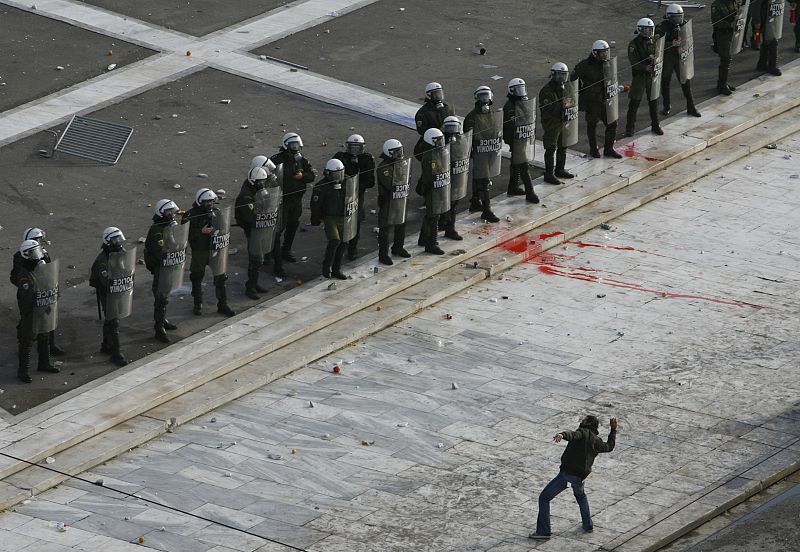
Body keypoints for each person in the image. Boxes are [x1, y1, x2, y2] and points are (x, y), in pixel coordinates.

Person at [530, 416, 618, 540]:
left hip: (567, 474)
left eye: (583, 421)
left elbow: (573, 435)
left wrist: (562, 434)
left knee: (544, 498)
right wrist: (613, 430)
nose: (581, 422)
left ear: (586, 423)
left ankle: (543, 531)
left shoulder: (582, 433)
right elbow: (609, 446)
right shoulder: (596, 441)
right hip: (581, 477)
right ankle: (588, 525)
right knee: (581, 496)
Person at [10, 227, 65, 357]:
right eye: (37, 239)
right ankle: (23, 345)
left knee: (48, 318)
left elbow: (50, 271)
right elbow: (17, 277)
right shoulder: (20, 256)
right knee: (27, 320)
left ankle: (50, 346)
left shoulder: (43, 253)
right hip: (30, 294)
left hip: (44, 292)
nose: (40, 242)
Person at [182, 188, 235, 317]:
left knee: (220, 277)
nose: (209, 205)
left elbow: (223, 228)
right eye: (206, 202)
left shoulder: (217, 213)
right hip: (200, 251)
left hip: (215, 250)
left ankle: (222, 304)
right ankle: (198, 303)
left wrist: (217, 229)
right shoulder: (190, 215)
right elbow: (184, 235)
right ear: (200, 201)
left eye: (211, 202)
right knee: (196, 277)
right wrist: (201, 231)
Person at [13, 240, 60, 382]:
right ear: (26, 255)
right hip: (31, 313)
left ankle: (44, 363)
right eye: (34, 254)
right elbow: (28, 296)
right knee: (26, 342)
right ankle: (23, 372)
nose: (38, 257)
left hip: (43, 309)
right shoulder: (24, 275)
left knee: (44, 336)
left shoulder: (39, 271)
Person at [270, 133, 316, 275]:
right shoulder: (276, 160)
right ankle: (271, 253)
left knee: (293, 225)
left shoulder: (302, 160)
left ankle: (286, 250)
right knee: (278, 229)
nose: (295, 147)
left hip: (296, 199)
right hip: (281, 200)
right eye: (292, 145)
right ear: (285, 145)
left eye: (297, 145)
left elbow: (311, 175)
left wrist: (303, 177)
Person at [571, 41, 624, 160]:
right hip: (592, 101)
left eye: (606, 53)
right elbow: (573, 79)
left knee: (612, 123)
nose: (605, 56)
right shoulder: (585, 65)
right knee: (592, 125)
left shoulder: (608, 64)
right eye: (602, 53)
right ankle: (593, 149)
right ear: (595, 53)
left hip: (606, 100)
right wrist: (581, 91)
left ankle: (609, 149)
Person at [89, 227, 131, 367]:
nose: (118, 242)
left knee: (111, 320)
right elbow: (105, 281)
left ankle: (106, 345)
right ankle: (116, 354)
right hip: (108, 294)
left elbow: (126, 269)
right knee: (113, 322)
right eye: (115, 240)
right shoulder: (102, 261)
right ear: (108, 241)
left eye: (119, 239)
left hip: (118, 291)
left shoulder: (119, 253)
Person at [144, 199, 182, 343]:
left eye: (172, 212)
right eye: (168, 212)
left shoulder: (167, 227)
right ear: (161, 213)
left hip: (168, 267)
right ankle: (159, 329)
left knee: (164, 298)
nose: (172, 215)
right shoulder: (157, 230)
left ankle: (163, 321)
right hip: (161, 268)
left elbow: (173, 243)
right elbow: (159, 252)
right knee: (161, 299)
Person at [333, 134, 375, 260]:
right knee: (341, 220)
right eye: (353, 147)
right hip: (342, 194)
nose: (355, 150)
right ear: (348, 147)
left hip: (357, 194)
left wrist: (357, 179)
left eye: (358, 147)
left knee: (356, 221)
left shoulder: (367, 159)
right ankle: (340, 247)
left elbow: (370, 181)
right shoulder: (340, 157)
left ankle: (352, 249)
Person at [235, 164, 274, 300]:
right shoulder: (246, 197)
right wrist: (262, 215)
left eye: (263, 181)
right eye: (259, 182)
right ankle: (250, 288)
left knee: (257, 258)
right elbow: (248, 217)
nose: (262, 184)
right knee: (256, 258)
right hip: (253, 229)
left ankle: (253, 283)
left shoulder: (255, 191)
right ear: (253, 181)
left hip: (260, 227)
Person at [463, 86, 502, 222]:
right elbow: (469, 137)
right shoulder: (471, 117)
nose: (485, 99)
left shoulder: (493, 114)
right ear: (476, 99)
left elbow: (497, 129)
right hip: (480, 152)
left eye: (487, 96)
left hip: (490, 150)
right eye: (481, 97)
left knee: (479, 176)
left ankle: (475, 200)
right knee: (484, 180)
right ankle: (487, 210)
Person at [656, 4, 701, 117]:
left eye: (679, 17)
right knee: (665, 82)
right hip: (668, 58)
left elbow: (689, 38)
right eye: (675, 17)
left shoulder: (684, 24)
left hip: (681, 56)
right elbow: (657, 45)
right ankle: (666, 106)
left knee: (685, 81)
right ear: (668, 17)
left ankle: (691, 106)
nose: (677, 20)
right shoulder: (661, 27)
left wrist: (684, 45)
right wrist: (670, 44)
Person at [310, 159, 350, 279]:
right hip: (330, 217)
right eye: (335, 175)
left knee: (344, 242)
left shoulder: (348, 181)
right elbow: (315, 205)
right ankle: (326, 267)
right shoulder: (321, 187)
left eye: (340, 174)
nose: (338, 178)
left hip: (343, 216)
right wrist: (316, 219)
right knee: (334, 241)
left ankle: (336, 269)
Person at [503, 78, 541, 201]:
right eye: (518, 89)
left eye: (522, 89)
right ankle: (530, 193)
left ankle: (512, 187)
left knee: (516, 163)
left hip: (522, 138)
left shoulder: (522, 103)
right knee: (524, 166)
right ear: (512, 91)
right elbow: (513, 123)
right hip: (515, 139)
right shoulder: (509, 106)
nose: (521, 92)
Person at [625, 18, 665, 137]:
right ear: (640, 30)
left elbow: (660, 53)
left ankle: (655, 125)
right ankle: (630, 127)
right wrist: (644, 67)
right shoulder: (634, 44)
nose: (648, 32)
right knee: (634, 103)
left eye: (650, 29)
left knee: (654, 102)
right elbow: (633, 61)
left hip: (652, 76)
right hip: (640, 77)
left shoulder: (655, 41)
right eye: (645, 29)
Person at [539, 63, 576, 185]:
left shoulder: (567, 87)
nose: (562, 78)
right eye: (560, 75)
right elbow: (550, 108)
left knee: (563, 145)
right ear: (553, 75)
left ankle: (560, 169)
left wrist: (567, 107)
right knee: (551, 147)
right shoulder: (546, 91)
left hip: (564, 121)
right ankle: (549, 174)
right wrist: (564, 106)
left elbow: (572, 101)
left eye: (564, 75)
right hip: (552, 123)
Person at [377, 139, 411, 265]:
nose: (399, 154)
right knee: (385, 228)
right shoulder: (384, 167)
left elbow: (407, 177)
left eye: (400, 151)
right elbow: (391, 183)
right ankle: (383, 254)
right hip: (388, 201)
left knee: (401, 224)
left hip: (400, 198)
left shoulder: (402, 164)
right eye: (395, 152)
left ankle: (398, 247)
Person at [416, 128, 449, 255]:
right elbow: (431, 174)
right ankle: (431, 243)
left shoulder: (436, 152)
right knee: (434, 216)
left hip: (435, 187)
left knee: (430, 215)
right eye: (438, 141)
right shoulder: (430, 156)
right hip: (432, 188)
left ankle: (423, 239)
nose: (441, 143)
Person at [439, 116, 470, 238]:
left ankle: (450, 228)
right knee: (442, 204)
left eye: (454, 128)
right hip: (443, 176)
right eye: (450, 128)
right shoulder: (438, 141)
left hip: (455, 175)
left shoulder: (461, 140)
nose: (452, 131)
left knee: (453, 203)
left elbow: (465, 153)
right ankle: (444, 225)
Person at [414, 82, 456, 162]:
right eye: (436, 95)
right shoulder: (423, 112)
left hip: (449, 141)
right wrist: (437, 131)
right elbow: (421, 129)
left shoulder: (448, 108)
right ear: (429, 95)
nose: (439, 97)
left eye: (440, 94)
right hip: (434, 144)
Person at [712, 0, 742, 95]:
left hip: (732, 34)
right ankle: (722, 85)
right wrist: (729, 25)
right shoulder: (716, 5)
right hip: (722, 35)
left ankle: (723, 82)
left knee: (728, 60)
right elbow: (716, 22)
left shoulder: (735, 2)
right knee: (725, 59)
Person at [755, 0, 785, 75]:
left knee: (767, 42)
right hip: (765, 19)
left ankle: (762, 64)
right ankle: (772, 66)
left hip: (771, 16)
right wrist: (757, 20)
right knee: (773, 42)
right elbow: (755, 5)